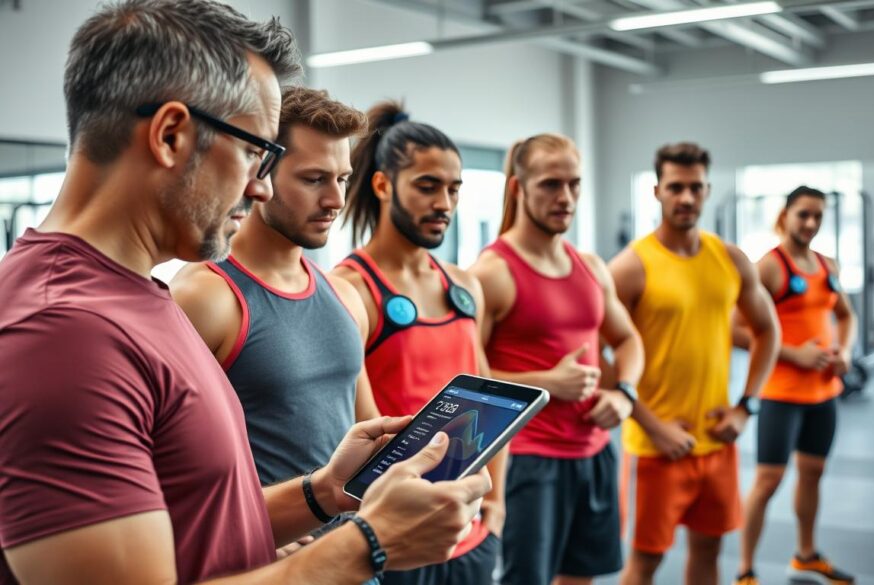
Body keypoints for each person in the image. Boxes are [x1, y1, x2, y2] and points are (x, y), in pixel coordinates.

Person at [0, 2, 488, 583]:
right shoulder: (65, 331)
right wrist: (371, 545)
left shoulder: (134, 296)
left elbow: (201, 524)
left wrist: (323, 492)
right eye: (257, 153)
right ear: (171, 135)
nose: (260, 188)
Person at [171, 86, 379, 490]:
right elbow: (170, 469)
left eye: (342, 179)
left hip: (351, 529)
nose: (336, 200)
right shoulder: (203, 299)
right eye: (314, 179)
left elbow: (368, 432)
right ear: (258, 172)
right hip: (258, 531)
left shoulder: (346, 296)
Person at [332, 101, 504, 585]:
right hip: (395, 539)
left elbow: (491, 400)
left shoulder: (465, 285)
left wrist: (496, 504)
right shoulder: (351, 290)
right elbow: (366, 432)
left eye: (454, 189)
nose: (444, 203)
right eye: (427, 186)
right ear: (383, 185)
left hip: (469, 537)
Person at [470, 133, 644, 585]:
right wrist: (546, 383)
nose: (565, 197)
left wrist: (624, 394)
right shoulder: (492, 273)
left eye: (574, 184)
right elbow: (465, 378)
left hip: (595, 451)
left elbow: (628, 340)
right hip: (529, 459)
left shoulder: (592, 267)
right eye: (550, 184)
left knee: (582, 578)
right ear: (518, 188)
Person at [608, 142, 780, 585]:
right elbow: (597, 355)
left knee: (709, 551)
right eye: (675, 187)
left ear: (707, 190)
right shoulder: (631, 267)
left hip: (717, 440)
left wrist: (746, 406)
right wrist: (651, 425)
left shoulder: (730, 259)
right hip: (655, 448)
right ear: (657, 191)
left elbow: (768, 331)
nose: (686, 197)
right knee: (645, 563)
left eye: (696, 187)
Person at [732, 186, 858, 585]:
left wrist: (845, 351)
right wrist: (792, 354)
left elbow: (846, 315)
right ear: (785, 215)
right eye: (803, 214)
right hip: (780, 394)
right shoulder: (769, 267)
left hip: (823, 394)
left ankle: (805, 556)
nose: (810, 223)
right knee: (767, 482)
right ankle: (745, 571)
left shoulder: (826, 265)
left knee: (813, 473)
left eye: (818, 216)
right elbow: (735, 329)